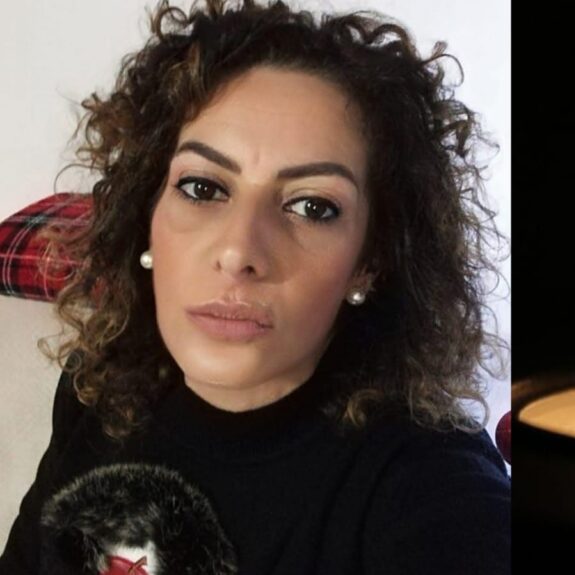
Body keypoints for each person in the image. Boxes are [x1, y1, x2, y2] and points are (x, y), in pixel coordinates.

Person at [0, 0, 510, 573]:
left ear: (368, 263)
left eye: (312, 206)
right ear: (147, 215)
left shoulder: (425, 481)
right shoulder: (95, 381)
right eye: (202, 188)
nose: (239, 251)